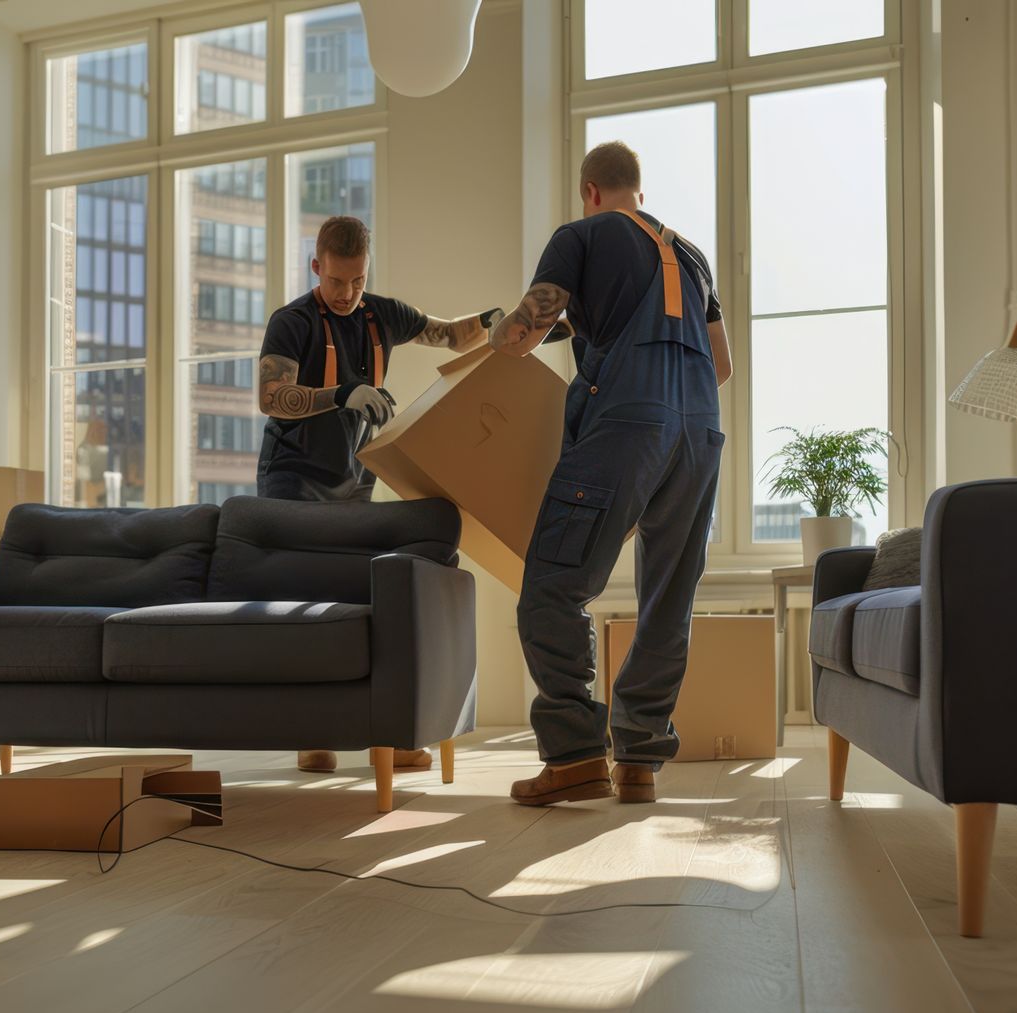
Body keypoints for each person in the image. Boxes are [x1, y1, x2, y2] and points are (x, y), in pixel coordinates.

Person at [489, 141, 733, 807]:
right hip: (701, 431)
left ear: (589, 190)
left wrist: (494, 331)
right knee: (666, 598)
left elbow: (524, 333)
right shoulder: (691, 254)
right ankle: (638, 760)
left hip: (630, 419)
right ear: (638, 194)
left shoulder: (580, 235)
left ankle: (572, 755)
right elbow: (722, 364)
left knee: (553, 586)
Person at [254, 214, 499, 774]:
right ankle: (313, 733)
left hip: (352, 479)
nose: (347, 293)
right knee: (304, 607)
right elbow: (272, 397)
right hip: (293, 479)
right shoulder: (291, 322)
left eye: (358, 281)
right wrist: (342, 393)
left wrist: (491, 321)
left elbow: (449, 333)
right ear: (317, 267)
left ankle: (384, 733)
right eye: (337, 281)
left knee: (362, 604)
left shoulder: (381, 314)